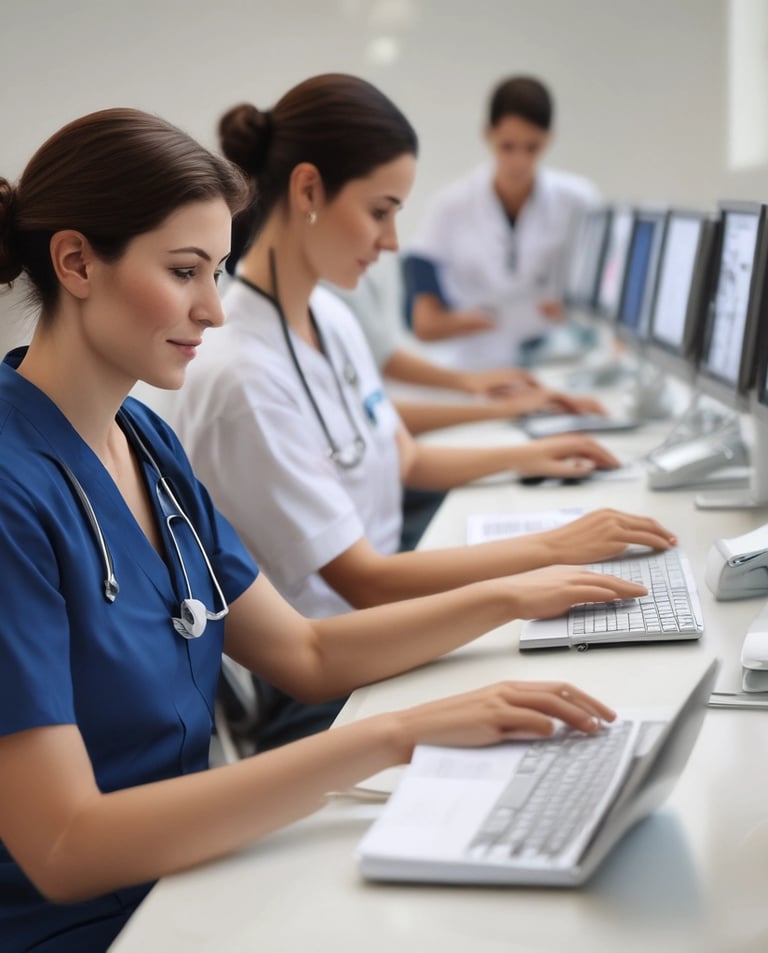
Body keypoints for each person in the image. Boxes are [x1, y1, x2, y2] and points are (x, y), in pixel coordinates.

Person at [0, 106, 653, 953]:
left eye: (217, 272)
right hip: (93, 928)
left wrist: (517, 597)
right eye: (185, 271)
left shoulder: (144, 440)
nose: (214, 310)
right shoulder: (12, 493)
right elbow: (63, 847)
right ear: (77, 261)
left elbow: (305, 651)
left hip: (191, 874)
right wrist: (394, 734)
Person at [172, 74, 676, 749]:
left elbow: (400, 453)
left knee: (585, 665)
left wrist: (534, 452)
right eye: (380, 211)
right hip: (334, 677)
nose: (391, 242)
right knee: (570, 701)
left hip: (386, 622)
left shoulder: (327, 315)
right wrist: (550, 551)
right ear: (308, 190)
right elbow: (364, 582)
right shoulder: (241, 377)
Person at [403, 74, 601, 371]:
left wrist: (573, 311)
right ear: (488, 134)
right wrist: (477, 321)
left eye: (532, 147)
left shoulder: (580, 201)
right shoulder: (448, 207)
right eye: (508, 146)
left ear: (549, 138)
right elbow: (424, 325)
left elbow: (602, 299)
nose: (519, 162)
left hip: (553, 361)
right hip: (472, 364)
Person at [327, 257, 606, 437]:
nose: (392, 244)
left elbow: (380, 365)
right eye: (377, 212)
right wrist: (501, 409)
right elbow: (374, 416)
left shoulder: (332, 296)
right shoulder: (326, 298)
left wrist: (473, 385)